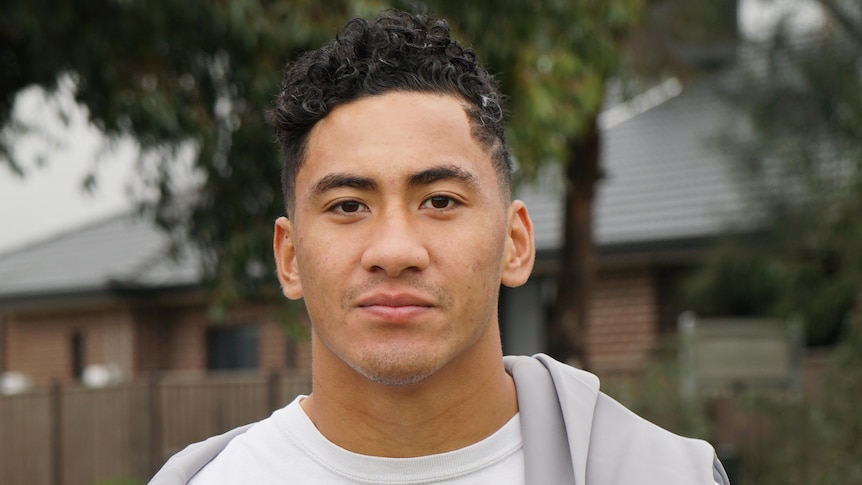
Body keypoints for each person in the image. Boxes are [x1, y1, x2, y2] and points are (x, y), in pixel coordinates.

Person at [150, 9, 729, 485]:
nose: (395, 250)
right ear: (289, 256)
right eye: (349, 205)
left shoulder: (666, 474)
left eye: (441, 201)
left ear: (515, 243)